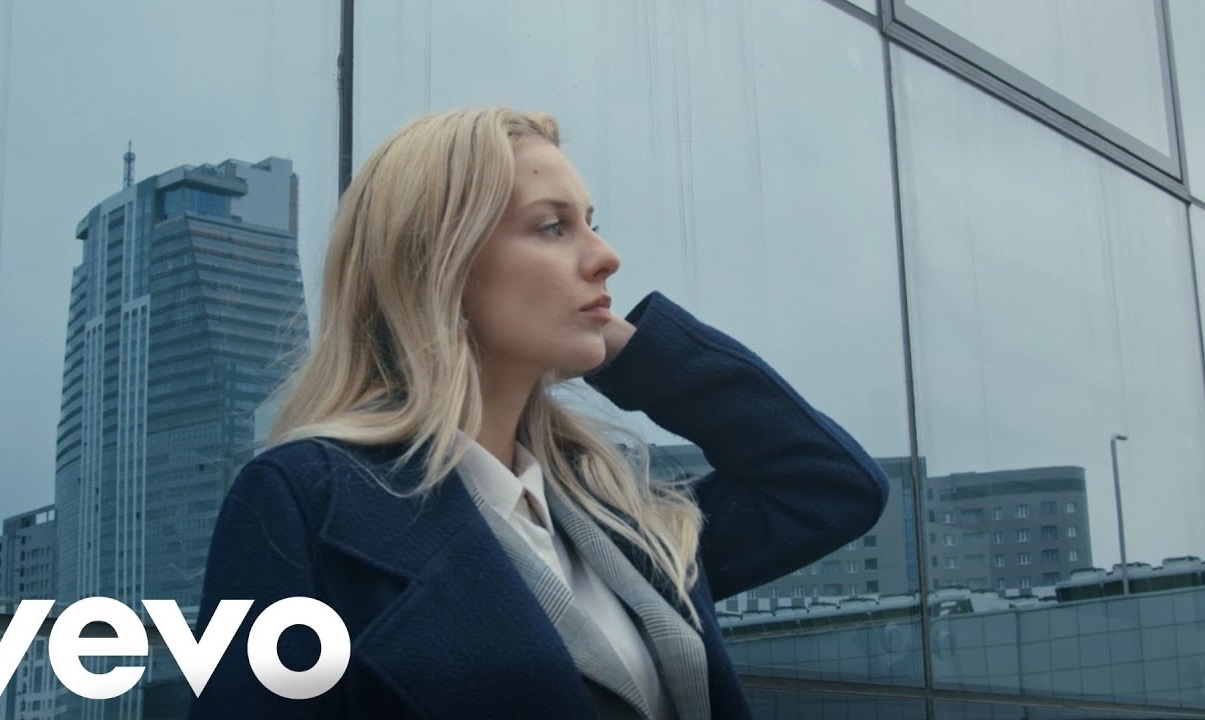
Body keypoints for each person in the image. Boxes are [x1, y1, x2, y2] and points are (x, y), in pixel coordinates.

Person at [188, 107, 889, 719]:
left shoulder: (616, 523)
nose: (606, 257)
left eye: (592, 225)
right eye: (553, 227)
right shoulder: (305, 504)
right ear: (441, 265)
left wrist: (634, 353)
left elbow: (828, 486)